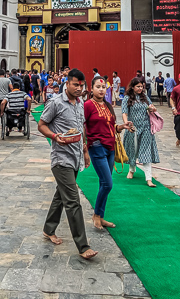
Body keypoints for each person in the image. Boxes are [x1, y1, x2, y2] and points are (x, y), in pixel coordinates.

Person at [38, 68, 97, 260]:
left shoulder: (80, 104)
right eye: (75, 85)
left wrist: (85, 151)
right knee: (73, 201)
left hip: (76, 157)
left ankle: (48, 229)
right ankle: (83, 245)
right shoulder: (56, 102)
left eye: (82, 85)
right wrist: (55, 136)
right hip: (61, 159)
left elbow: (81, 128)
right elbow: (41, 124)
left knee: (61, 196)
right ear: (67, 83)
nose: (79, 88)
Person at [84, 76, 132, 230]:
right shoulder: (87, 105)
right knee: (107, 183)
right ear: (91, 89)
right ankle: (96, 214)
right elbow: (81, 126)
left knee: (104, 183)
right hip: (96, 146)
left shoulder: (107, 106)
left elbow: (111, 126)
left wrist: (122, 127)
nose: (101, 90)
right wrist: (84, 148)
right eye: (98, 87)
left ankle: (101, 216)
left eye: (103, 87)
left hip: (110, 147)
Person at [122, 77, 160, 187]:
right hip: (133, 128)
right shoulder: (127, 98)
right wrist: (127, 124)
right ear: (132, 87)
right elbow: (124, 113)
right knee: (133, 150)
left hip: (146, 127)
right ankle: (132, 169)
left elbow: (151, 107)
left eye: (142, 86)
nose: (140, 88)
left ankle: (149, 178)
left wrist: (152, 109)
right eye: (138, 86)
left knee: (146, 151)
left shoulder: (145, 97)